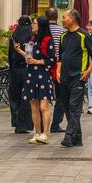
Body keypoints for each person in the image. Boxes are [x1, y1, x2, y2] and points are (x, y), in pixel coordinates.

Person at [54, 10, 92, 148]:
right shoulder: (63, 36)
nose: (62, 20)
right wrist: (58, 70)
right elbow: (61, 56)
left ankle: (68, 137)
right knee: (67, 107)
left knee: (74, 107)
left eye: (64, 17)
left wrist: (88, 71)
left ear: (73, 19)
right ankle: (77, 138)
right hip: (64, 78)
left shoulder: (83, 35)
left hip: (78, 77)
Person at [22, 14, 57, 144]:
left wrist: (37, 61)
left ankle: (46, 133)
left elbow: (53, 60)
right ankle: (37, 133)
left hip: (44, 76)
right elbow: (28, 56)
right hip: (31, 75)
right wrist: (22, 53)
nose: (32, 25)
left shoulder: (48, 40)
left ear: (41, 25)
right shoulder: (31, 39)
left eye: (35, 23)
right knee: (34, 107)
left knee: (43, 106)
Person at [7, 16, 33, 134]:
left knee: (15, 97)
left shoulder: (13, 36)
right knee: (26, 97)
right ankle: (24, 124)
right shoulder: (30, 36)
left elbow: (9, 54)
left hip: (14, 70)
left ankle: (16, 122)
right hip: (27, 70)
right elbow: (30, 55)